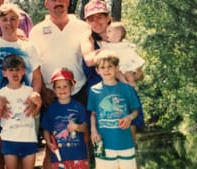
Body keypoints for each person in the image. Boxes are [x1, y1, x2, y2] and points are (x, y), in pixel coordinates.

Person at [0, 3, 42, 169]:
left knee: (20, 160)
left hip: (22, 110)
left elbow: (36, 77)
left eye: (13, 19)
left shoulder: (29, 47)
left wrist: (35, 96)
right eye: (4, 19)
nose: (9, 23)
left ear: (19, 21)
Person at [28, 0, 91, 168]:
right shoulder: (36, 31)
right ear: (46, 3)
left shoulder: (82, 26)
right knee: (52, 144)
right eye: (53, 0)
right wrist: (42, 90)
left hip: (79, 92)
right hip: (51, 94)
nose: (58, 2)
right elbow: (33, 66)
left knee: (84, 141)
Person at [81, 0, 144, 143]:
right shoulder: (88, 39)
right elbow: (89, 60)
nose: (96, 22)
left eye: (100, 17)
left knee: (129, 144)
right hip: (100, 100)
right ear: (87, 23)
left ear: (108, 17)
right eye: (91, 19)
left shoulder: (121, 42)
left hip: (123, 98)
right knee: (104, 148)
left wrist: (130, 77)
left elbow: (140, 74)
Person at [88, 50, 139, 169]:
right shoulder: (94, 90)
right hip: (102, 143)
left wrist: (129, 117)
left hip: (125, 142)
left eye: (110, 66)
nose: (106, 70)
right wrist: (93, 130)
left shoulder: (126, 89)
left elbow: (135, 110)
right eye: (102, 67)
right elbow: (93, 114)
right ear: (97, 70)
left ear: (117, 68)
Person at [0, 54, 41, 169]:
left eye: (18, 69)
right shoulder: (0, 94)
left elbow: (36, 114)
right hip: (9, 140)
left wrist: (38, 103)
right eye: (10, 70)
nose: (14, 73)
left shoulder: (30, 91)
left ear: (23, 71)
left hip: (29, 139)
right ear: (4, 73)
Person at [41, 68, 89, 169]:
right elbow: (46, 129)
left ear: (72, 87)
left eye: (65, 86)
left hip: (78, 155)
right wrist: (48, 142)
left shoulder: (78, 107)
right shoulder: (51, 109)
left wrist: (77, 127)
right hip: (58, 157)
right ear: (54, 89)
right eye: (58, 87)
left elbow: (85, 127)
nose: (62, 90)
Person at [101, 22, 145, 87]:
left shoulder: (125, 45)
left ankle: (131, 87)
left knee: (129, 75)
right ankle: (125, 84)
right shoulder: (107, 45)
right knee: (118, 74)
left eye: (109, 31)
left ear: (118, 33)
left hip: (126, 66)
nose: (106, 33)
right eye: (106, 31)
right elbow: (102, 51)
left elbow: (133, 55)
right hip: (117, 68)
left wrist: (137, 66)